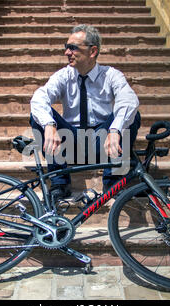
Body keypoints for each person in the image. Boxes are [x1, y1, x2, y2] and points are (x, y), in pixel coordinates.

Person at [30, 24, 141, 200]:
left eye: (73, 48)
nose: (67, 52)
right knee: (39, 116)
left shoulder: (111, 75)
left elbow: (129, 100)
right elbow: (39, 98)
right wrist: (50, 125)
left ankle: (113, 181)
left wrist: (115, 130)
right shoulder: (63, 75)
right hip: (70, 141)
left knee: (131, 114)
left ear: (92, 51)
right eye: (66, 47)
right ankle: (59, 182)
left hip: (103, 140)